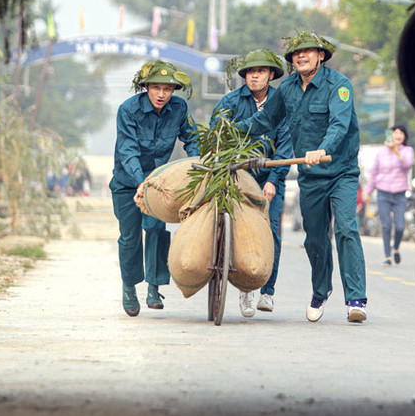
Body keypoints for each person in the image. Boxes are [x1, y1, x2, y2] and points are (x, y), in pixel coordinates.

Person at [237, 32, 367, 323]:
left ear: (321, 56)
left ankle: (356, 300)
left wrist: (323, 149)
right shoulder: (287, 89)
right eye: (296, 53)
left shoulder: (339, 85)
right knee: (315, 239)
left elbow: (339, 124)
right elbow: (265, 120)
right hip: (310, 176)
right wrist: (233, 130)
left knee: (346, 229)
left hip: (341, 171)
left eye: (308, 51)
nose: (301, 56)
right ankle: (321, 291)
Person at [111, 60, 200, 316]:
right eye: (156, 88)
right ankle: (129, 288)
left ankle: (154, 286)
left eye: (167, 89)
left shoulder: (179, 108)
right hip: (127, 182)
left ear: (173, 91)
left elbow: (191, 137)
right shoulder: (128, 110)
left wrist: (198, 163)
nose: (162, 94)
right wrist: (140, 182)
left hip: (159, 183)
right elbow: (127, 149)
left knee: (156, 230)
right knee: (130, 238)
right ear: (146, 87)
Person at [213, 49, 293, 317]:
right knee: (237, 231)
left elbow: (285, 146)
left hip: (271, 178)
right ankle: (245, 288)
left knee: (271, 232)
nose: (254, 76)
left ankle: (267, 291)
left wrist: (273, 180)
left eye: (260, 71)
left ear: (270, 75)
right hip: (238, 176)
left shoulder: (282, 104)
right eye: (250, 72)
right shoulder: (230, 102)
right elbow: (217, 136)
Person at [364, 126, 415, 266]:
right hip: (383, 193)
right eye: (395, 133)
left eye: (401, 133)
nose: (398, 135)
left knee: (399, 226)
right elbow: (374, 173)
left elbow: (407, 164)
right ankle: (387, 256)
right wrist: (368, 191)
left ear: (404, 136)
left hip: (399, 194)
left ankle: (395, 248)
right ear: (390, 135)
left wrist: (396, 150)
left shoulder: (407, 151)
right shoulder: (381, 152)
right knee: (386, 225)